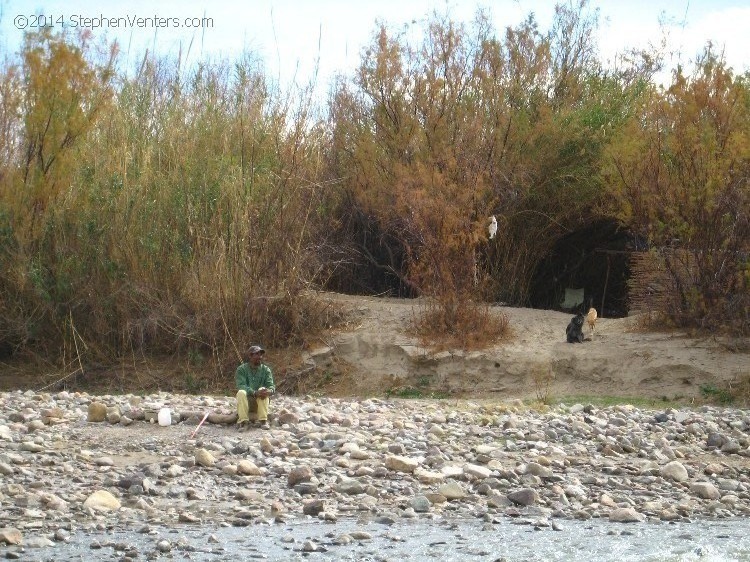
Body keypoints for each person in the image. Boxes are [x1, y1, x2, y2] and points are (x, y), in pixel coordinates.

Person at [235, 345, 275, 430]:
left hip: (260, 403)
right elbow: (241, 385)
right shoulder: (241, 369)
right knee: (241, 392)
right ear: (250, 356)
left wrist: (269, 391)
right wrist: (254, 392)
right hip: (246, 402)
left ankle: (263, 421)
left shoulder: (266, 370)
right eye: (256, 354)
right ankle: (243, 422)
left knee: (262, 390)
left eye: (260, 354)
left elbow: (271, 385)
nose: (260, 357)